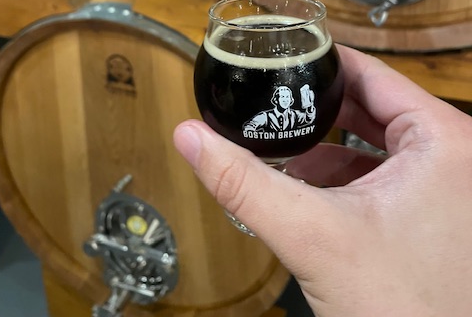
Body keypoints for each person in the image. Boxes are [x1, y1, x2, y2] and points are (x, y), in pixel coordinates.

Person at [173, 44, 472, 316]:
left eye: (289, 96)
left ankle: (281, 184)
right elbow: (251, 124)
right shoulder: (265, 118)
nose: (286, 99)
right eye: (282, 97)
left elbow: (308, 116)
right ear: (276, 100)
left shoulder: (298, 116)